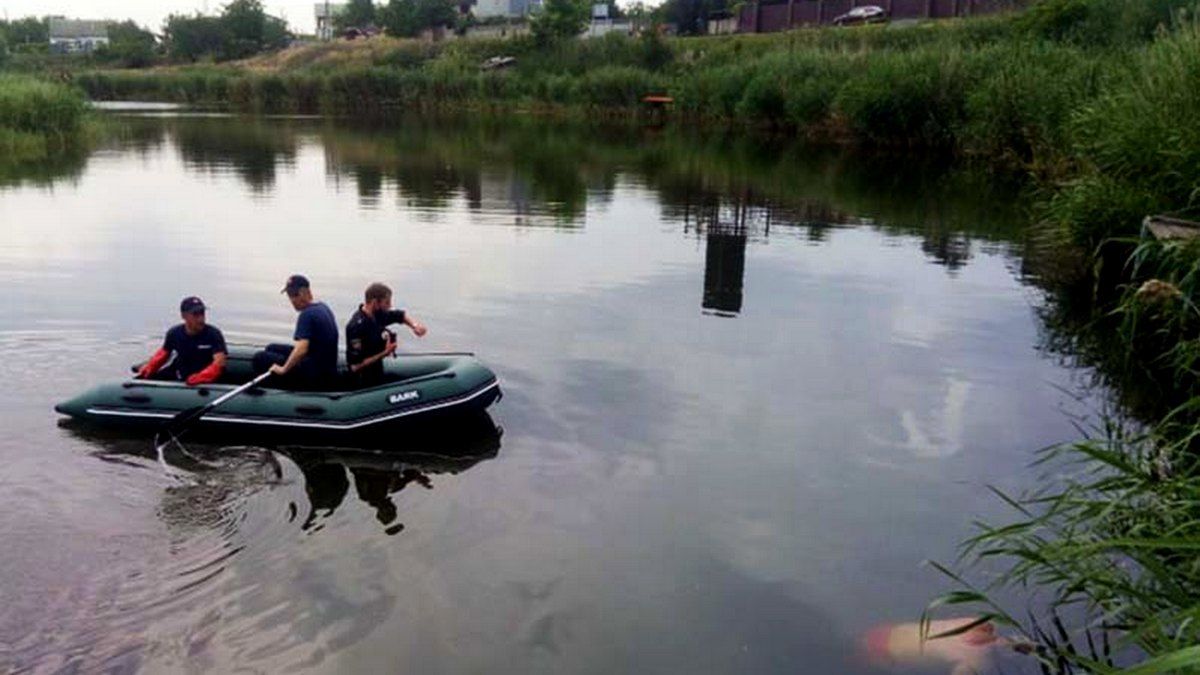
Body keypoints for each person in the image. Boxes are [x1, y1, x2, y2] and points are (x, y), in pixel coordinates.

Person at [345, 282, 427, 386]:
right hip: (363, 380)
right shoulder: (356, 327)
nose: (390, 306)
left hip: (377, 371)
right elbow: (355, 366)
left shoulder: (377, 314)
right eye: (387, 302)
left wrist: (415, 326)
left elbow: (400, 316)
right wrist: (385, 352)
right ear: (375, 302)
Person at [268, 275, 339, 390]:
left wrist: (283, 369)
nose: (291, 300)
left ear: (303, 293)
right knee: (271, 348)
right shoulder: (323, 307)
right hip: (325, 367)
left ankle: (275, 392)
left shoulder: (306, 314)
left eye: (294, 295)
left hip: (315, 375)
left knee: (260, 358)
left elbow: (302, 349)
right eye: (290, 296)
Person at [136, 296, 227, 385]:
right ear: (184, 316)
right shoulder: (174, 333)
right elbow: (163, 354)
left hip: (206, 382)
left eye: (202, 313)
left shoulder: (213, 334)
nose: (201, 319)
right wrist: (149, 368)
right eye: (195, 314)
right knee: (147, 379)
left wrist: (202, 376)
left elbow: (219, 362)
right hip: (180, 375)